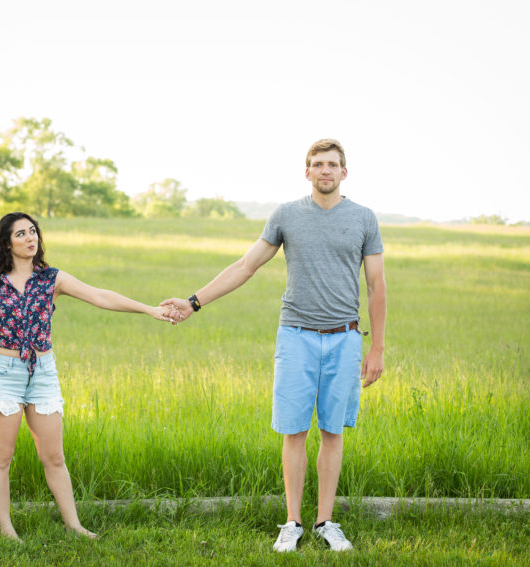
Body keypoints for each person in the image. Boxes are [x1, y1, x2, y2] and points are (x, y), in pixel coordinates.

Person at [161, 139, 386, 553]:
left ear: (344, 172)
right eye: (317, 164)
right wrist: (193, 303)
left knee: (333, 431)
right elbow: (246, 266)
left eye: (332, 164)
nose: (325, 170)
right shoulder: (287, 215)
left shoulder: (363, 219)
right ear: (307, 172)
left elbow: (376, 284)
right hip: (296, 336)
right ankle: (293, 523)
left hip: (345, 338)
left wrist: (377, 348)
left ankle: (326, 522)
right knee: (294, 430)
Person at [0, 212, 173, 540]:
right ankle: (7, 531)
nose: (30, 238)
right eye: (21, 234)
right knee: (1, 457)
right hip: (2, 374)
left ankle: (74, 526)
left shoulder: (52, 279)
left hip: (43, 372)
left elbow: (100, 295)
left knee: (54, 456)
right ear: (6, 242)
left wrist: (149, 309)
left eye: (33, 231)